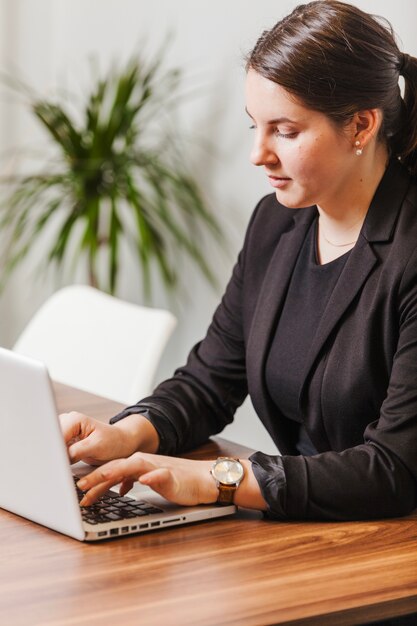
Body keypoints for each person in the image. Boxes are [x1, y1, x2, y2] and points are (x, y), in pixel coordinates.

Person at [61, 0, 417, 522]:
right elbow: (211, 379)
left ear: (361, 126)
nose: (259, 153)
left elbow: (393, 469)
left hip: (386, 557)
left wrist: (219, 480)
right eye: (255, 125)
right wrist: (126, 433)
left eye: (286, 131)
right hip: (302, 531)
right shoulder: (276, 224)